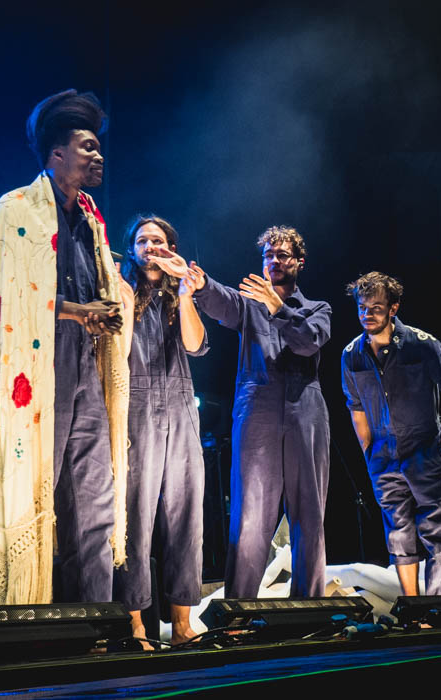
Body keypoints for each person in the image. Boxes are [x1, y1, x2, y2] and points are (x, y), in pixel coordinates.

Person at [0, 89, 134, 606]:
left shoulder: (91, 223)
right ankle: (25, 619)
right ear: (57, 154)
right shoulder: (15, 212)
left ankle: (98, 622)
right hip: (32, 380)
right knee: (29, 498)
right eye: (87, 147)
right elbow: (1, 301)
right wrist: (78, 311)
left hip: (83, 375)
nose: (98, 156)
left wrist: (110, 307)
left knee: (93, 503)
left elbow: (99, 290)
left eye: (98, 148)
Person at [154, 226, 331, 599]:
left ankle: (309, 606)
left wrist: (279, 310)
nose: (274, 261)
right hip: (258, 413)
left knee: (309, 516)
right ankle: (239, 611)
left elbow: (308, 343)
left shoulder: (318, 309)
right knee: (250, 514)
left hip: (306, 414)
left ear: (299, 262)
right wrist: (198, 282)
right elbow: (220, 300)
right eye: (268, 255)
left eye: (282, 255)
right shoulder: (249, 304)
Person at [341, 272, 441, 596]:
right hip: (383, 455)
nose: (367, 314)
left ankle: (435, 608)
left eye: (376, 307)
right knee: (398, 536)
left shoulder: (422, 345)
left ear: (393, 308)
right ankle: (412, 610)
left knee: (437, 534)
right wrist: (368, 450)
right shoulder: (351, 354)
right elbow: (355, 405)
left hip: (425, 449)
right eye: (362, 307)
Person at [114, 215, 207, 647]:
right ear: (131, 248)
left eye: (159, 240)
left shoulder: (179, 294)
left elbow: (194, 344)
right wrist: (124, 294)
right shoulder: (121, 289)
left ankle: (182, 624)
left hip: (180, 404)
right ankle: (134, 622)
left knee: (187, 517)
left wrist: (186, 293)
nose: (150, 246)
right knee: (135, 518)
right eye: (142, 240)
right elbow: (116, 345)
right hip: (134, 405)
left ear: (171, 247)